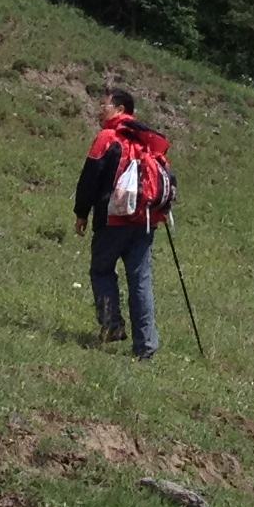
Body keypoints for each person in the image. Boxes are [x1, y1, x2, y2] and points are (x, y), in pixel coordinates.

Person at [73, 85, 172, 361]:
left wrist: (81, 212)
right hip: (145, 221)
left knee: (102, 271)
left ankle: (111, 326)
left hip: (113, 220)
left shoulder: (107, 138)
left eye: (103, 105)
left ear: (119, 110)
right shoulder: (147, 141)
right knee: (140, 280)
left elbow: (90, 178)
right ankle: (146, 347)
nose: (99, 109)